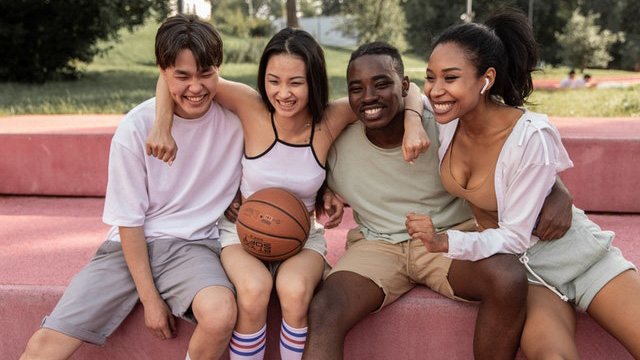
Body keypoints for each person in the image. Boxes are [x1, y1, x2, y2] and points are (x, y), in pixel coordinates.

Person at [146, 28, 428, 360]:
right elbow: (175, 79)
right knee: (253, 291)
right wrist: (161, 126)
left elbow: (413, 91)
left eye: (296, 82)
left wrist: (414, 123)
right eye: (273, 81)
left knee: (294, 293)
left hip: (302, 236)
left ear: (314, 81)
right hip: (242, 233)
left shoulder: (331, 118)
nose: (283, 93)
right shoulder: (250, 105)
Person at [302, 42, 573, 360]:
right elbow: (295, 169)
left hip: (449, 238)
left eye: (382, 84)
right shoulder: (336, 142)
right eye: (356, 88)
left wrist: (557, 188)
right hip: (376, 245)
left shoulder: (444, 122)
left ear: (405, 86)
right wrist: (324, 191)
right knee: (325, 307)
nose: (369, 96)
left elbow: (511, 140)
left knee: (507, 276)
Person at [410, 8, 640, 359]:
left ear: (486, 79)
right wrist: (413, 122)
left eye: (450, 78)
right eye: (431, 77)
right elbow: (406, 93)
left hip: (578, 257)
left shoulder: (529, 135)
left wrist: (445, 241)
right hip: (526, 275)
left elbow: (515, 233)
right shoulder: (447, 118)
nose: (436, 89)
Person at [19, 15, 242, 360]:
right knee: (46, 344)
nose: (195, 87)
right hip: (127, 249)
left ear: (219, 70)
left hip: (193, 246)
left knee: (221, 312)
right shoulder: (136, 128)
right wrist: (151, 300)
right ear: (162, 71)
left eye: (205, 74)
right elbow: (130, 222)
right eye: (182, 76)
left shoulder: (235, 122)